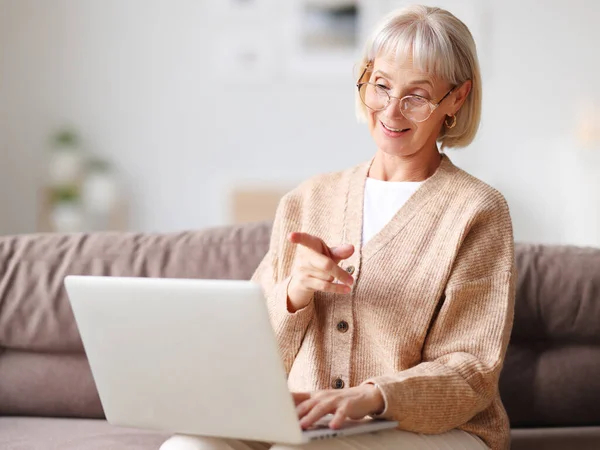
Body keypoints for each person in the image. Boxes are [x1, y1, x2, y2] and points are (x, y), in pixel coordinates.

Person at [163, 4, 515, 450]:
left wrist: (373, 397)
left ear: (456, 99)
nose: (392, 110)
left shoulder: (477, 210)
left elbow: (472, 370)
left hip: (435, 430)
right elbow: (249, 359)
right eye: (381, 86)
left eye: (417, 95)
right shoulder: (307, 200)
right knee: (187, 446)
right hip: (307, 419)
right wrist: (294, 293)